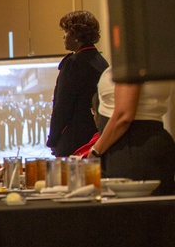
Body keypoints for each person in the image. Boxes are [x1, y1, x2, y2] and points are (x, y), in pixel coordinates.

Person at [91, 67, 175, 195]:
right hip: (145, 144)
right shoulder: (152, 56)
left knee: (131, 211)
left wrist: (95, 151)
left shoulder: (133, 53)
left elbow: (124, 116)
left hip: (131, 147)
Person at [46, 10, 109, 157]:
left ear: (76, 36)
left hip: (74, 141)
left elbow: (62, 106)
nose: (64, 36)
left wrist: (53, 140)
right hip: (97, 138)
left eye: (66, 32)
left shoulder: (73, 63)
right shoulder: (102, 62)